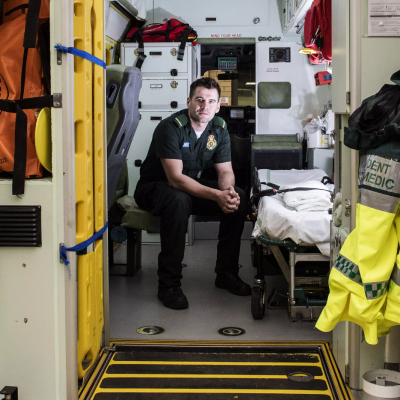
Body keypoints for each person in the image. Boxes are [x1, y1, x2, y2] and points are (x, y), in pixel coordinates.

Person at [134, 77, 251, 310]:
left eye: (211, 101)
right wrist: (215, 195)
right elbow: (175, 179)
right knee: (179, 202)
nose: (204, 106)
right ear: (189, 101)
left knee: (238, 197)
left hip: (190, 186)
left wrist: (226, 193)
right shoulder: (170, 127)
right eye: (199, 100)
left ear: (218, 106)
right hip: (155, 188)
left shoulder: (218, 128)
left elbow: (225, 170)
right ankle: (169, 285)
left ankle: (226, 273)